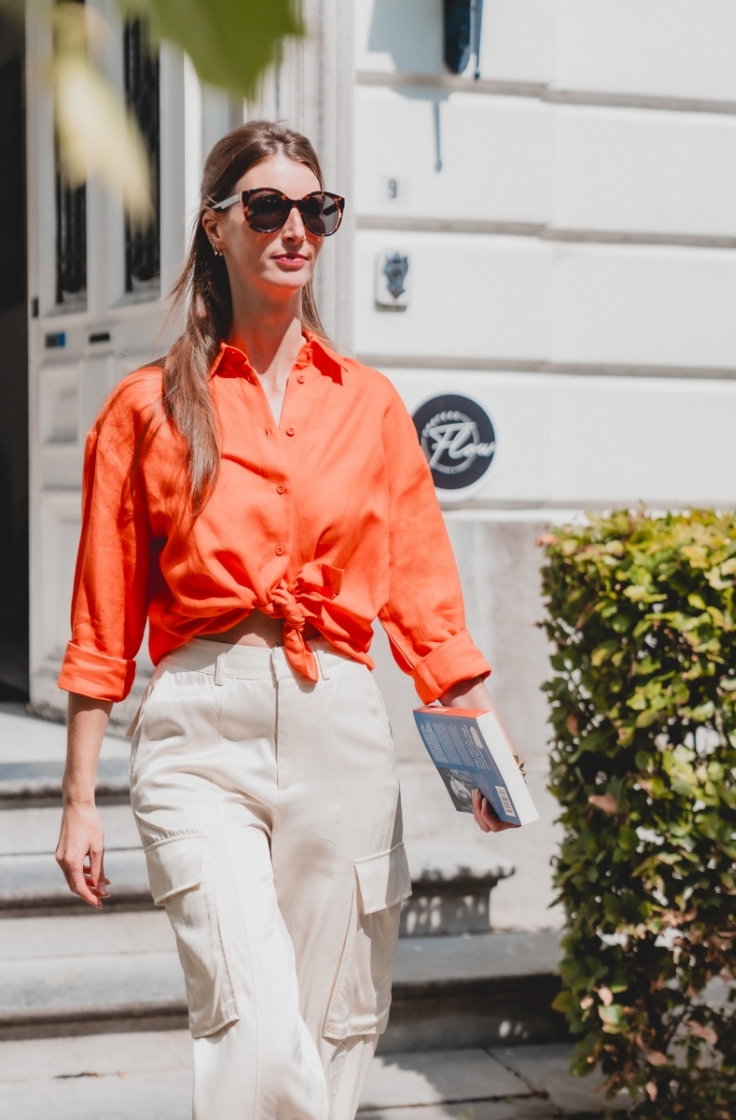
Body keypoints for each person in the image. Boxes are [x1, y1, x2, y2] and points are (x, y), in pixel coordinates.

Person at [55, 120, 511, 1120]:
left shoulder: (370, 406)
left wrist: (484, 754)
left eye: (316, 209)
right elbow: (101, 612)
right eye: (266, 207)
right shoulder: (145, 408)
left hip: (337, 722)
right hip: (196, 728)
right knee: (256, 1043)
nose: (293, 227)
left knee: (334, 1027)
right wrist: (81, 794)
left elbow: (427, 600)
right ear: (216, 227)